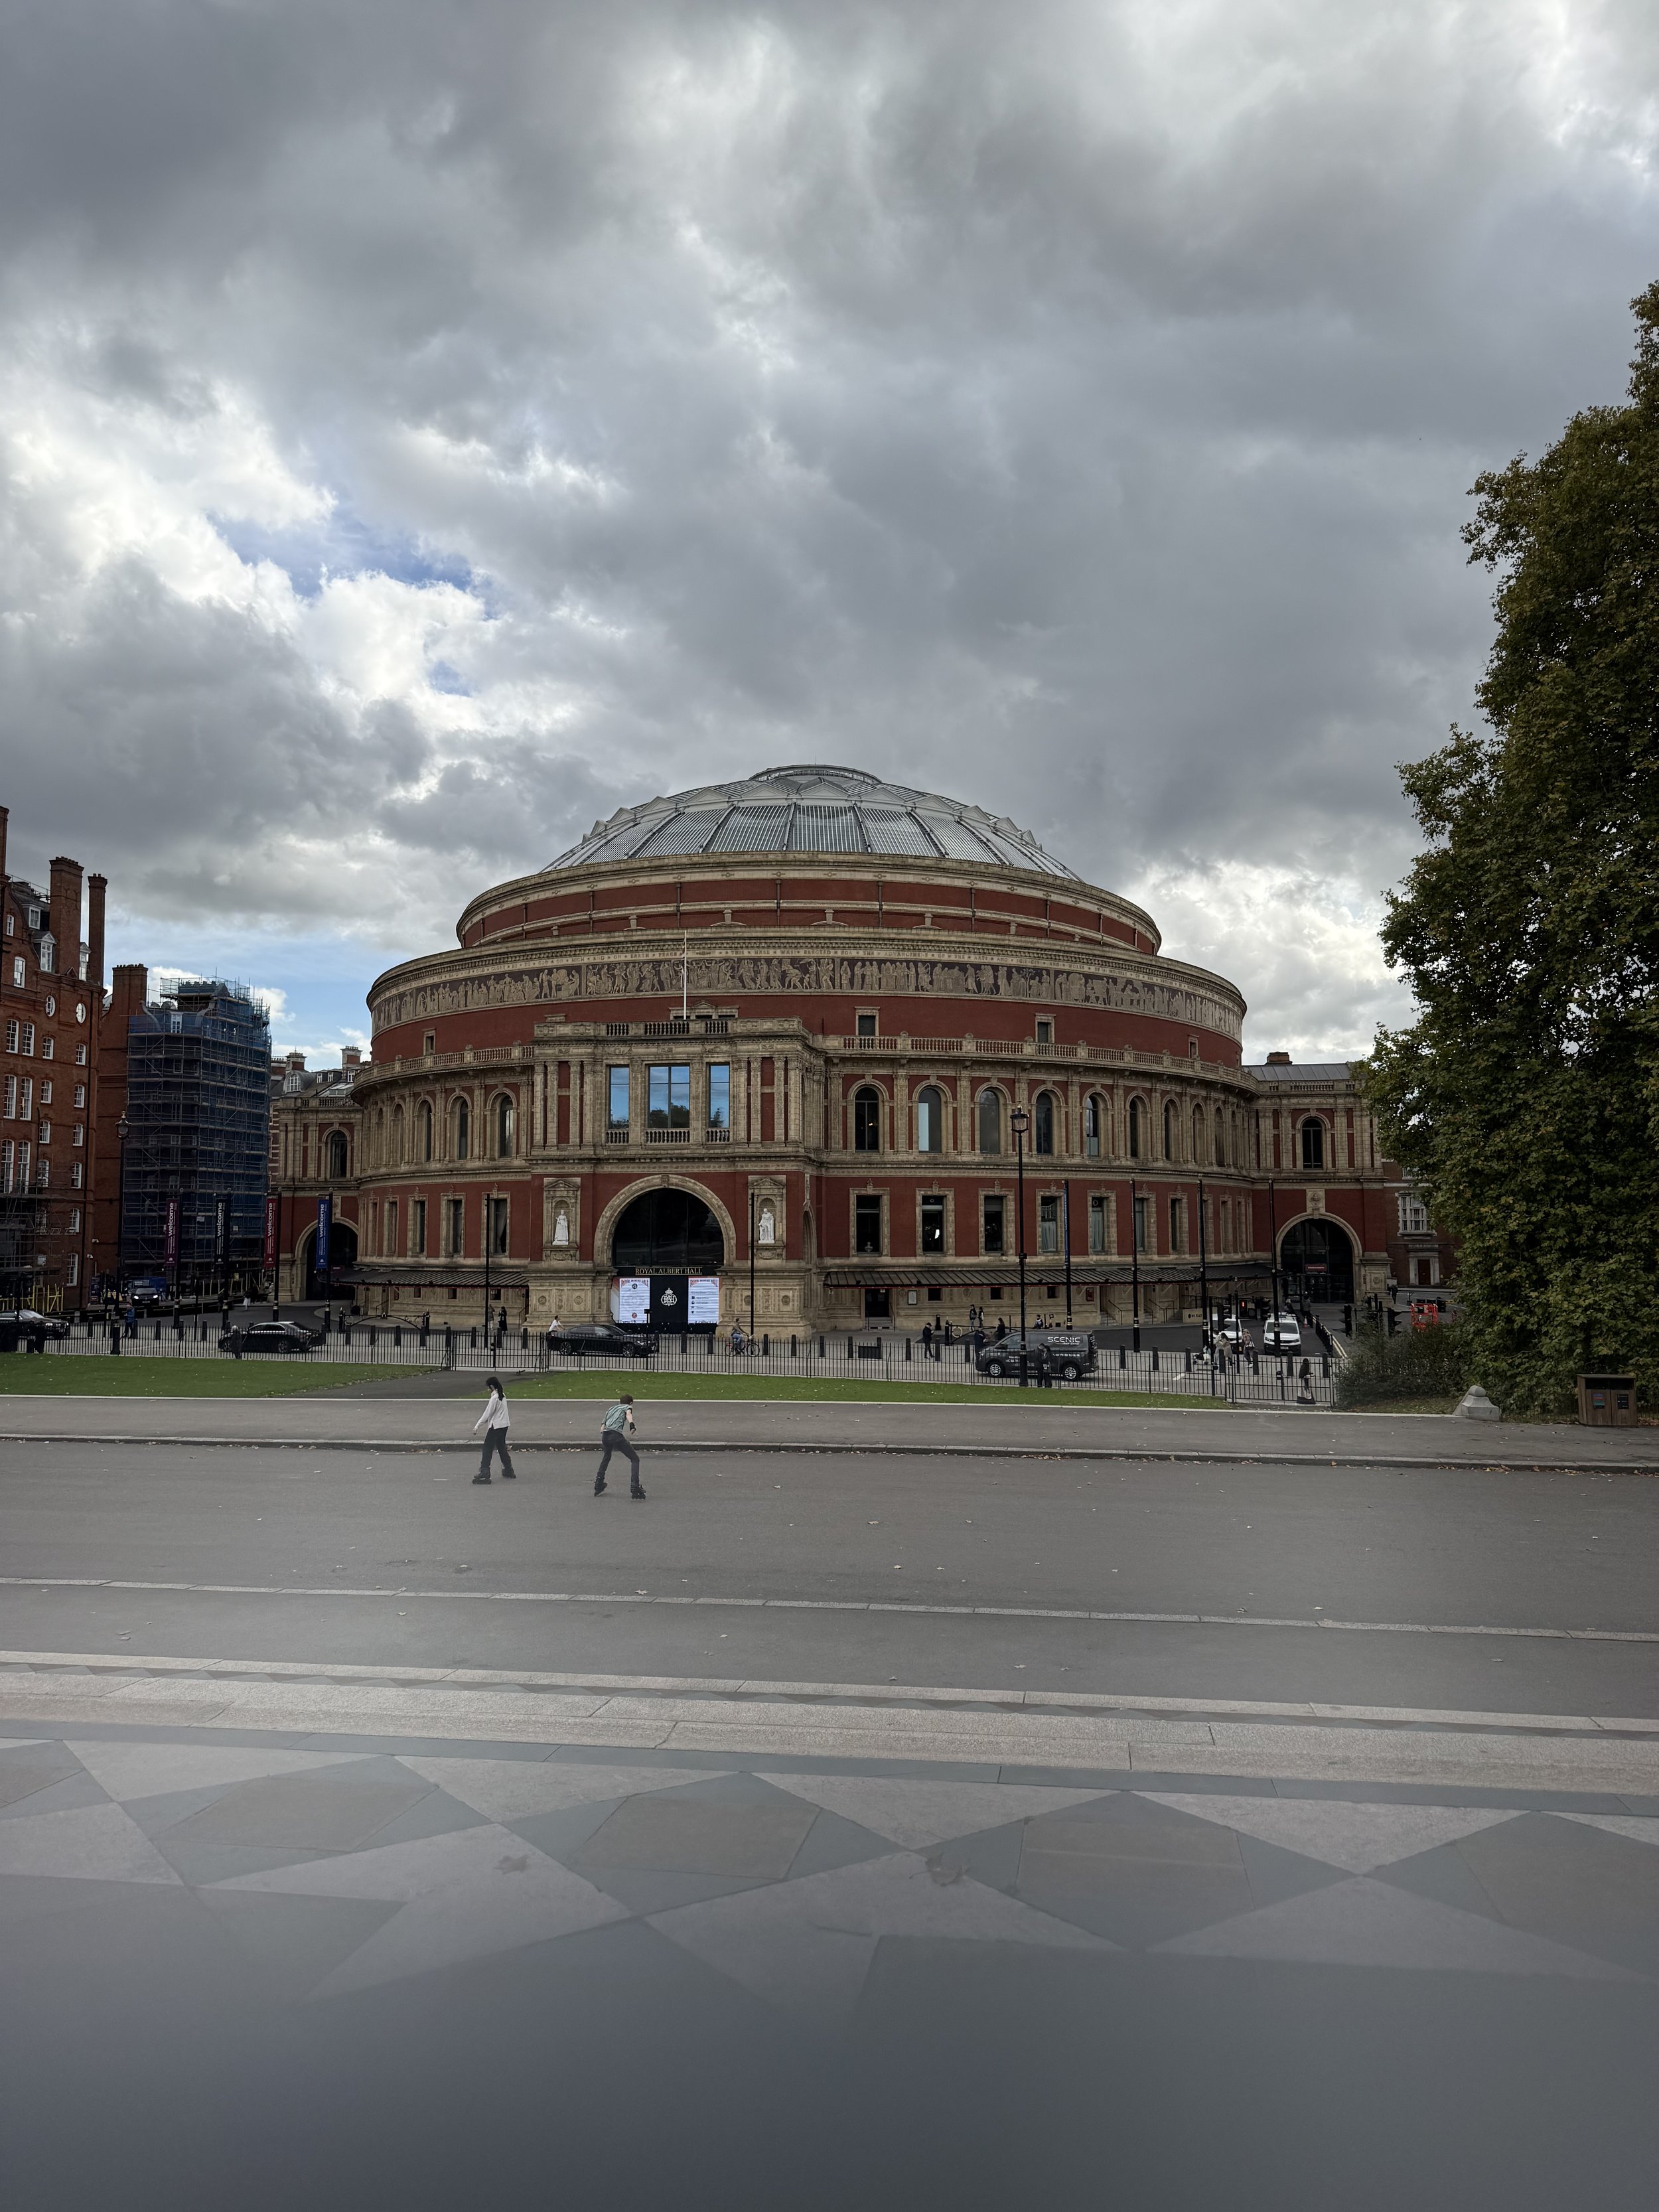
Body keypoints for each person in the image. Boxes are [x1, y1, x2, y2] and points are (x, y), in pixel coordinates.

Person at [595, 1392, 644, 1499]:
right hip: (615, 1435)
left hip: (606, 1436)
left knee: (607, 1456)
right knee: (635, 1459)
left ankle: (599, 1482)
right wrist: (632, 1425)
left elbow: (602, 1427)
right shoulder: (627, 1407)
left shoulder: (611, 1409)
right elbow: (628, 1415)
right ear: (630, 1403)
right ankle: (635, 1486)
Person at [471, 1373, 516, 1483]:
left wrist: (477, 1426)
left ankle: (485, 1473)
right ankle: (508, 1469)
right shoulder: (503, 1396)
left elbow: (487, 1414)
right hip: (504, 1425)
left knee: (487, 1449)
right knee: (501, 1448)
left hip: (496, 1427)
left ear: (491, 1387)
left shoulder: (494, 1399)